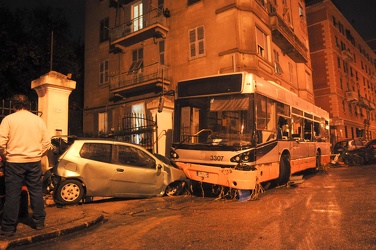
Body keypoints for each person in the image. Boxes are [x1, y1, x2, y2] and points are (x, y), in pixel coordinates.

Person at [0, 94, 51, 236]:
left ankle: (8, 228)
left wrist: (6, 155)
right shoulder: (38, 120)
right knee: (36, 191)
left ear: (14, 105)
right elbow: (47, 143)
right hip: (34, 162)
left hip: (14, 162)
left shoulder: (8, 120)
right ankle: (39, 222)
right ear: (28, 105)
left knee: (12, 194)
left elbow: (0, 143)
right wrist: (36, 154)